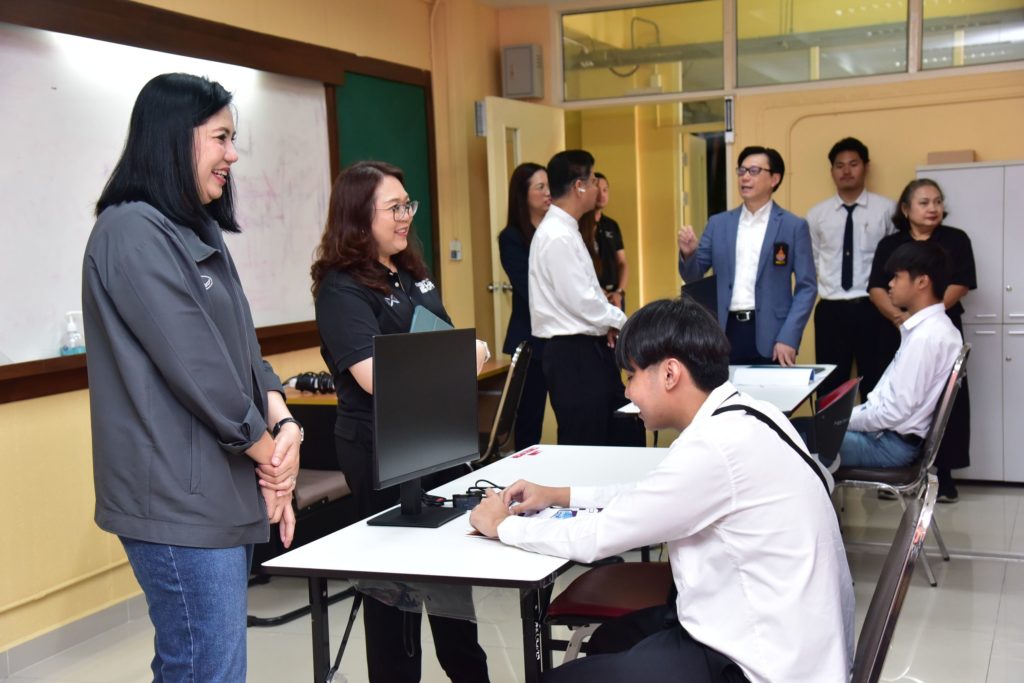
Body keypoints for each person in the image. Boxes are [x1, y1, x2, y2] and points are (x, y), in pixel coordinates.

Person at [470, 297, 854, 683]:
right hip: (785, 635)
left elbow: (598, 538)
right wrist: (559, 495)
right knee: (608, 640)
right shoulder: (751, 414)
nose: (627, 392)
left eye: (631, 376)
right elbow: (652, 496)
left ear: (670, 373)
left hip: (758, 663)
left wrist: (503, 525)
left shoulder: (714, 448)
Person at [83, 73, 300, 682]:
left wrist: (284, 423)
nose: (233, 154)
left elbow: (244, 351)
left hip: (221, 487)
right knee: (208, 667)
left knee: (204, 665)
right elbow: (198, 368)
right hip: (176, 499)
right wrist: (272, 461)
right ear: (175, 138)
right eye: (221, 138)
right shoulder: (130, 230)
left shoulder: (197, 228)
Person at [311, 161, 490, 683]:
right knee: (394, 594)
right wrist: (459, 357)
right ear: (358, 216)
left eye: (407, 205)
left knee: (452, 580)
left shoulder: (411, 271)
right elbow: (377, 377)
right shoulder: (341, 289)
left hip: (434, 438)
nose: (406, 216)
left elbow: (455, 343)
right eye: (394, 208)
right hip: (379, 448)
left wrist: (458, 355)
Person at [867, 179, 975, 501]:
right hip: (894, 327)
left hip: (936, 323)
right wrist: (900, 317)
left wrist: (924, 313)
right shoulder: (890, 244)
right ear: (906, 209)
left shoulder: (955, 239)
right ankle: (890, 471)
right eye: (924, 202)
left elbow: (961, 283)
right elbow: (876, 286)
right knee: (897, 396)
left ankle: (944, 476)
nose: (933, 208)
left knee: (944, 401)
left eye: (938, 202)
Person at [529, 149, 643, 447]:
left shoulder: (568, 229)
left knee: (616, 431)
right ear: (579, 186)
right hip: (573, 354)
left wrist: (609, 323)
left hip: (588, 348)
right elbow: (582, 301)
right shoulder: (557, 235)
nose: (596, 188)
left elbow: (589, 295)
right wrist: (623, 322)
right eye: (593, 181)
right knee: (585, 441)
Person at [677, 146, 817, 366]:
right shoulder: (718, 224)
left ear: (774, 179)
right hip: (724, 331)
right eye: (741, 171)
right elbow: (693, 277)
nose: (745, 177)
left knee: (770, 389)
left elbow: (807, 287)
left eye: (753, 171)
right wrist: (689, 253)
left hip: (773, 335)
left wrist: (789, 336)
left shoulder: (793, 226)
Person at [839, 241, 963, 471]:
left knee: (792, 440)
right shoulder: (932, 329)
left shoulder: (926, 337)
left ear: (922, 282)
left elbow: (893, 412)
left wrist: (840, 422)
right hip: (887, 437)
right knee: (799, 432)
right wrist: (840, 419)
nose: (890, 284)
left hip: (886, 445)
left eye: (896, 277)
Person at [806, 137, 896, 396]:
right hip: (831, 310)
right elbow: (812, 260)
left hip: (874, 308)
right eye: (839, 165)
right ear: (832, 171)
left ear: (865, 167)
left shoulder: (886, 210)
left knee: (877, 384)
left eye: (853, 164)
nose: (846, 171)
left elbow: (894, 260)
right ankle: (832, 426)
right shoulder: (817, 215)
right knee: (830, 388)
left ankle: (875, 426)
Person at [498, 162, 551, 449]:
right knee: (530, 417)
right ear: (523, 194)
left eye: (549, 186)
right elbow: (529, 287)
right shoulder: (512, 237)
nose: (548, 193)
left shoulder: (558, 231)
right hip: (530, 338)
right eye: (540, 187)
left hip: (559, 337)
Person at [594, 173, 628, 310]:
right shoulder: (579, 225)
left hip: (615, 297)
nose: (601, 195)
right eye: (597, 190)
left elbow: (622, 262)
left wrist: (619, 292)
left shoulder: (612, 225)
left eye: (605, 190)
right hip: (593, 296)